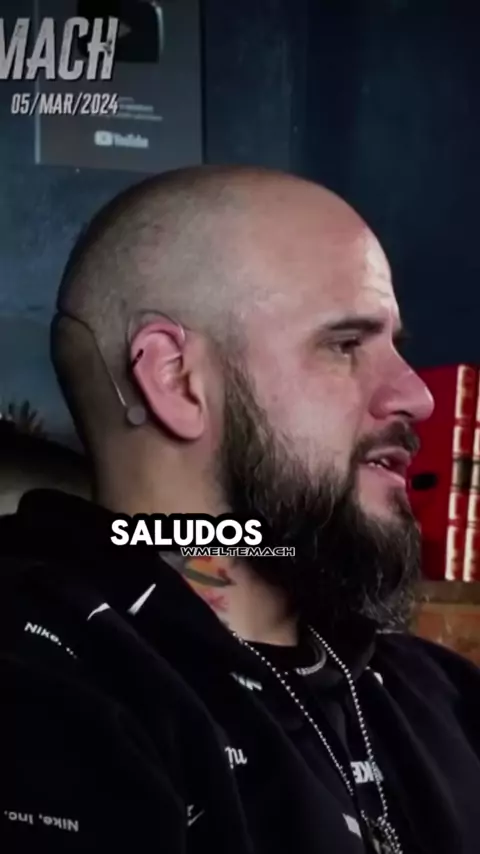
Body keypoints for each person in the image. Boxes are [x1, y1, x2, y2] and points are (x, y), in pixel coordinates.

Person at [0, 165, 478, 854]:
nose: (417, 396)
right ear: (176, 381)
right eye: (345, 345)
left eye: (393, 347)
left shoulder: (444, 697)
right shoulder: (41, 684)